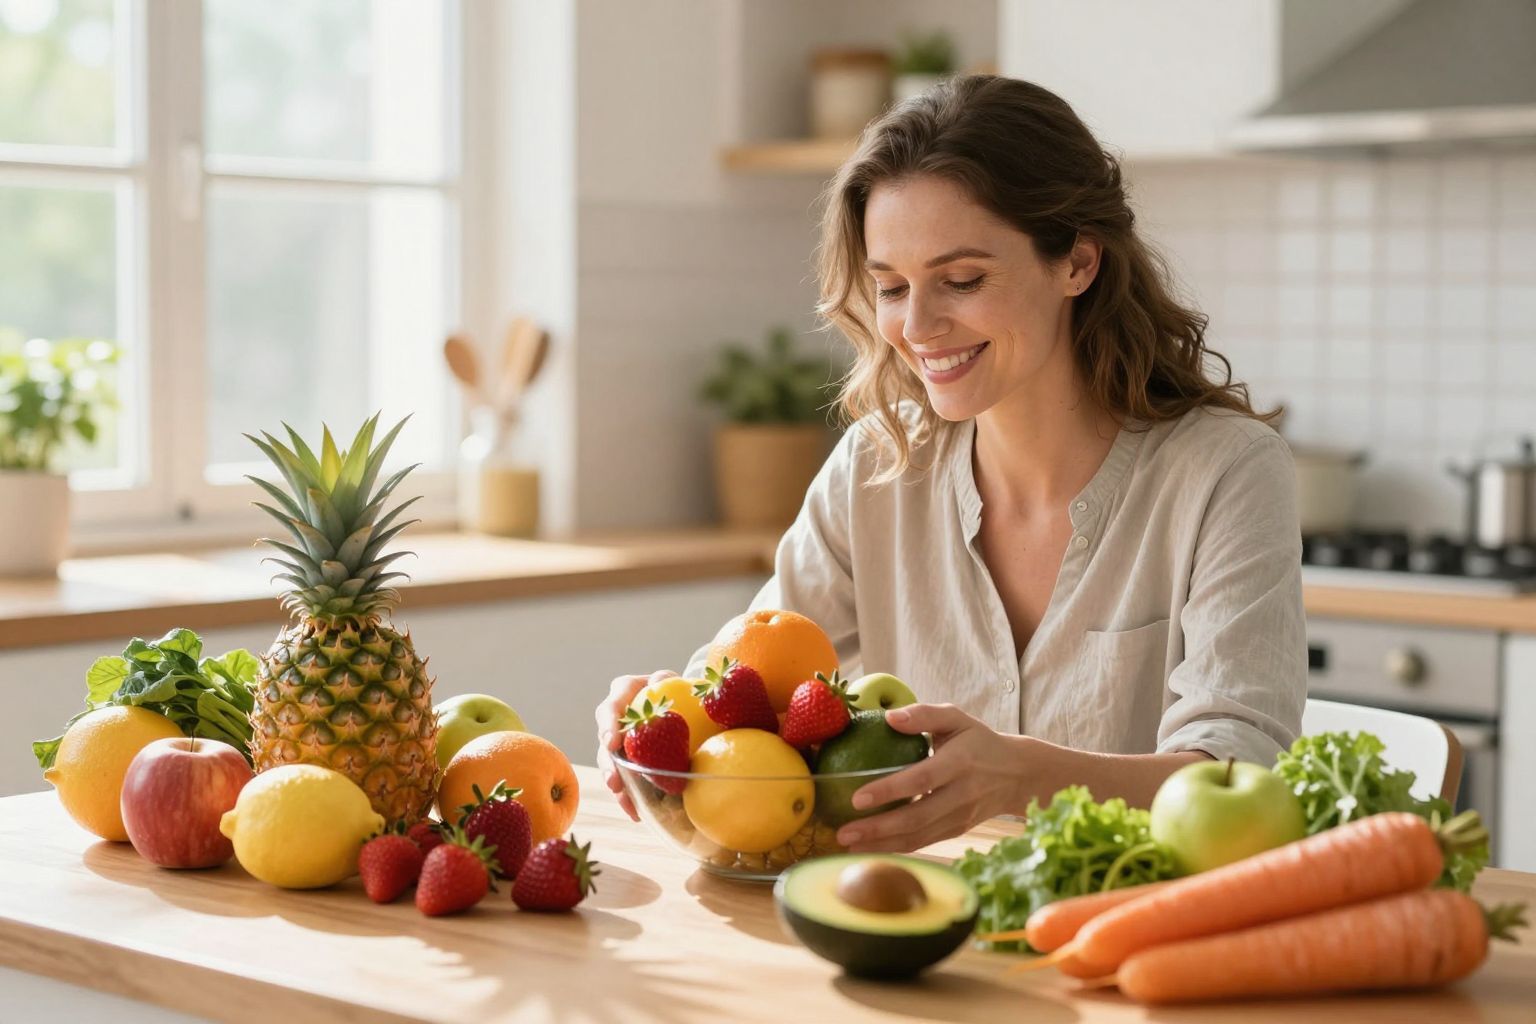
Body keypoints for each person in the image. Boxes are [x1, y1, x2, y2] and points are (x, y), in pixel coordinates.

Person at [596, 75, 1306, 855]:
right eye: (891, 287)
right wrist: (666, 712)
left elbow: (1243, 776)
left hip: (1130, 916)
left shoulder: (1225, 472)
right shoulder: (875, 466)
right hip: (909, 911)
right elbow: (753, 691)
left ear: (1077, 262)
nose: (917, 325)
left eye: (962, 280)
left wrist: (1024, 777)